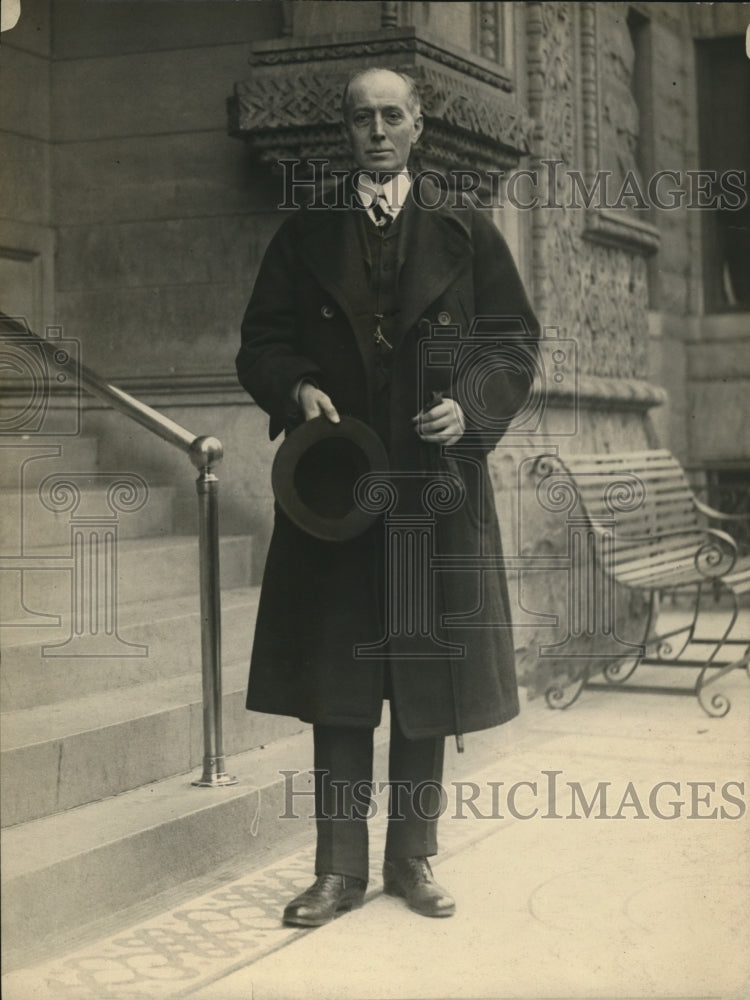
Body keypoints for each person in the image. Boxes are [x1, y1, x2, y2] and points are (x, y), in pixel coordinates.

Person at [235, 67, 540, 926]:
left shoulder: (465, 230)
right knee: (339, 681)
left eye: (392, 116)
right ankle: (338, 870)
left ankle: (412, 859)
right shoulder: (305, 233)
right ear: (344, 132)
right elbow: (260, 342)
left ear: (418, 128)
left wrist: (469, 406)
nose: (377, 131)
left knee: (423, 681)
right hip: (338, 495)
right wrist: (294, 388)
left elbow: (514, 344)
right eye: (362, 118)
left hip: (433, 493)